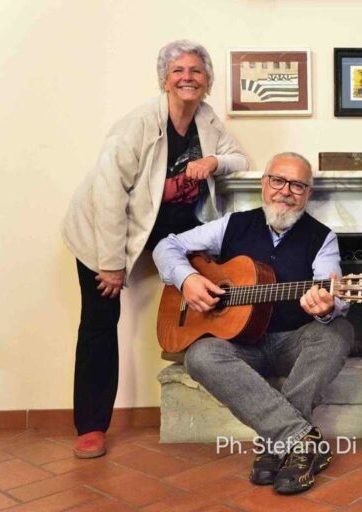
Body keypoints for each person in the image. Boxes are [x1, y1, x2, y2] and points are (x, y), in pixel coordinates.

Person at [61, 40, 248, 458]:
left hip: (167, 221)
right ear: (165, 79)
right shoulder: (139, 124)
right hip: (104, 227)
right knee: (99, 320)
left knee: (216, 271)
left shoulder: (206, 118)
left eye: (196, 71)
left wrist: (213, 163)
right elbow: (109, 196)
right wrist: (111, 265)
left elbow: (240, 159)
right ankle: (91, 426)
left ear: (207, 80)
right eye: (179, 70)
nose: (188, 77)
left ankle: (209, 374)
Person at [153, 152, 354, 495]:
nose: (285, 191)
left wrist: (325, 306)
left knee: (338, 332)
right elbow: (165, 246)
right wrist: (187, 280)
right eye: (277, 180)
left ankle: (278, 443)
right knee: (200, 356)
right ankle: (298, 439)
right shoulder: (232, 224)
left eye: (297, 185)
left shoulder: (322, 237)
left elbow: (331, 291)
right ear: (264, 184)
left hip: (293, 340)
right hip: (242, 345)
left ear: (307, 193)